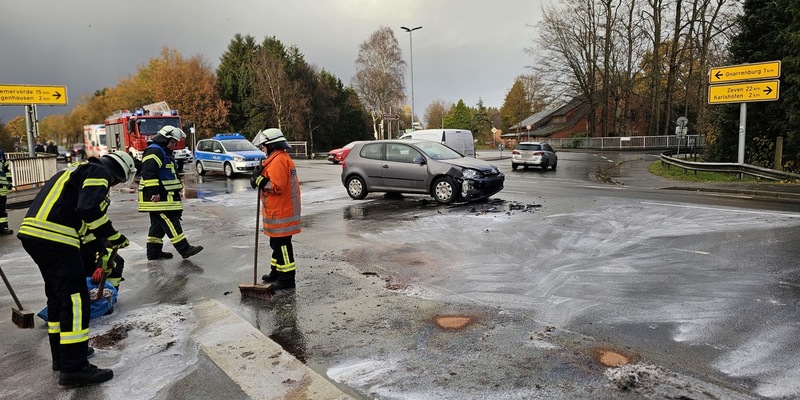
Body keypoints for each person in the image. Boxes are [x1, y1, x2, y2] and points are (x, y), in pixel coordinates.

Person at [16, 151, 136, 387]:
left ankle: (63, 357)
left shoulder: (72, 171)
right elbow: (89, 210)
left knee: (58, 298)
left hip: (35, 236)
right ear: (117, 173)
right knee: (76, 300)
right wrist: (113, 236)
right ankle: (75, 368)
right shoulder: (99, 172)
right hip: (56, 239)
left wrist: (101, 245)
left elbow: (80, 223)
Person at [138, 125, 203, 260]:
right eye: (173, 142)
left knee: (158, 227)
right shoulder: (155, 152)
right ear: (164, 139)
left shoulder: (161, 151)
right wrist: (154, 192)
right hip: (157, 198)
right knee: (171, 222)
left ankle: (154, 252)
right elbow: (148, 173)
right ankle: (185, 249)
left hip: (162, 197)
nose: (174, 146)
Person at [250, 128, 302, 290]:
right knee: (276, 244)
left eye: (264, 145)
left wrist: (260, 180)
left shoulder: (279, 160)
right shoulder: (276, 159)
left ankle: (286, 280)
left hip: (282, 212)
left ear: (272, 145)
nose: (262, 148)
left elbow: (276, 186)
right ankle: (276, 272)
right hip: (279, 210)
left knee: (283, 246)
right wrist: (260, 177)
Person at [0, 149, 12, 235]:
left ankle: (3, 227)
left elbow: (6, 168)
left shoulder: (0, 152)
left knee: (2, 208)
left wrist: (9, 181)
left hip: (2, 186)